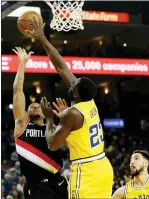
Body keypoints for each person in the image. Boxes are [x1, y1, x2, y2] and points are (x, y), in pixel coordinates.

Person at [27, 17, 114, 198]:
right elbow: (61, 67)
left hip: (87, 171)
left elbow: (52, 144)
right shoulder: (89, 102)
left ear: (75, 94)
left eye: (74, 84)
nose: (72, 82)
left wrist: (50, 118)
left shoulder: (72, 113)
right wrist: (42, 38)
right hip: (103, 167)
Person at [12, 47, 68, 199]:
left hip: (57, 183)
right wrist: (22, 64)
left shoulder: (55, 128)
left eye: (38, 106)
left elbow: (74, 144)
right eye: (31, 106)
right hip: (34, 186)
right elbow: (17, 91)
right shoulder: (22, 124)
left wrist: (66, 118)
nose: (35, 106)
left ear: (45, 112)